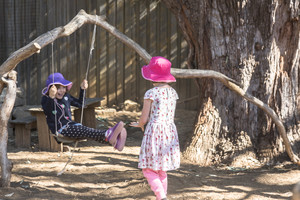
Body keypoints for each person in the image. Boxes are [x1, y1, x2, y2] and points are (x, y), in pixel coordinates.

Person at [130, 56, 180, 200]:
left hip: (155, 132)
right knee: (162, 170)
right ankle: (162, 197)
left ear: (152, 76)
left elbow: (144, 118)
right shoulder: (173, 93)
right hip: (169, 132)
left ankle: (161, 196)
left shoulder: (151, 93)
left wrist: (139, 124)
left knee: (148, 169)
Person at [41, 72, 127, 151]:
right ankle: (108, 133)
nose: (62, 90)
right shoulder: (46, 99)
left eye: (63, 87)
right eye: (58, 88)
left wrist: (82, 90)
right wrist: (51, 98)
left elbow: (80, 104)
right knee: (87, 131)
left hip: (71, 126)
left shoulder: (66, 97)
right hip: (61, 130)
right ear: (51, 89)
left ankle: (114, 142)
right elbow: (48, 110)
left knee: (89, 133)